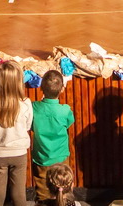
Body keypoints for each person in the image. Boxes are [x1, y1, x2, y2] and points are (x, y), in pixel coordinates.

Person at [0, 61, 33, 206]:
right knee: (19, 195)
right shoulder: (26, 103)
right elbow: (27, 126)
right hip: (19, 153)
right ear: (19, 82)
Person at [31, 71, 75, 202]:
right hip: (61, 157)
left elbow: (30, 125)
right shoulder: (65, 110)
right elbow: (69, 123)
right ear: (62, 89)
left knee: (42, 193)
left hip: (41, 158)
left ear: (41, 88)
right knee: (63, 189)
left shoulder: (34, 107)